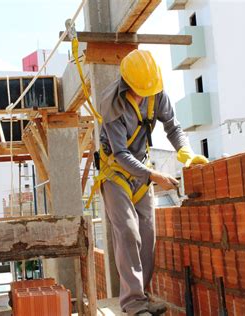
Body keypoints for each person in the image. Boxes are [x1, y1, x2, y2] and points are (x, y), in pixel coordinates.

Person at [94, 49, 208, 315]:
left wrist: (185, 153)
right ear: (128, 83)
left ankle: (141, 298)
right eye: (139, 90)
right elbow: (120, 154)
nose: (144, 95)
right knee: (128, 232)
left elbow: (172, 126)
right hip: (117, 174)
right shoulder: (112, 103)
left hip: (142, 171)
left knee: (147, 235)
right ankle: (133, 304)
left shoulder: (156, 93)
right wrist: (154, 176)